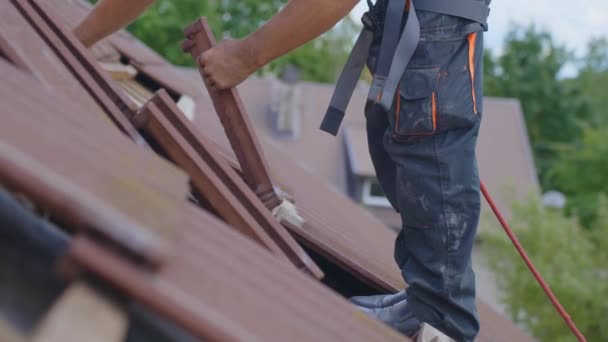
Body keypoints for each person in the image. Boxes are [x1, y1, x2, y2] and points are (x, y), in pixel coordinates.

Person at [74, 1, 490, 340]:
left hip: (436, 19)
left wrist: (246, 55)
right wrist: (75, 41)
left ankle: (441, 318)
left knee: (428, 146)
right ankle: (426, 300)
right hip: (419, 16)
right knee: (402, 141)